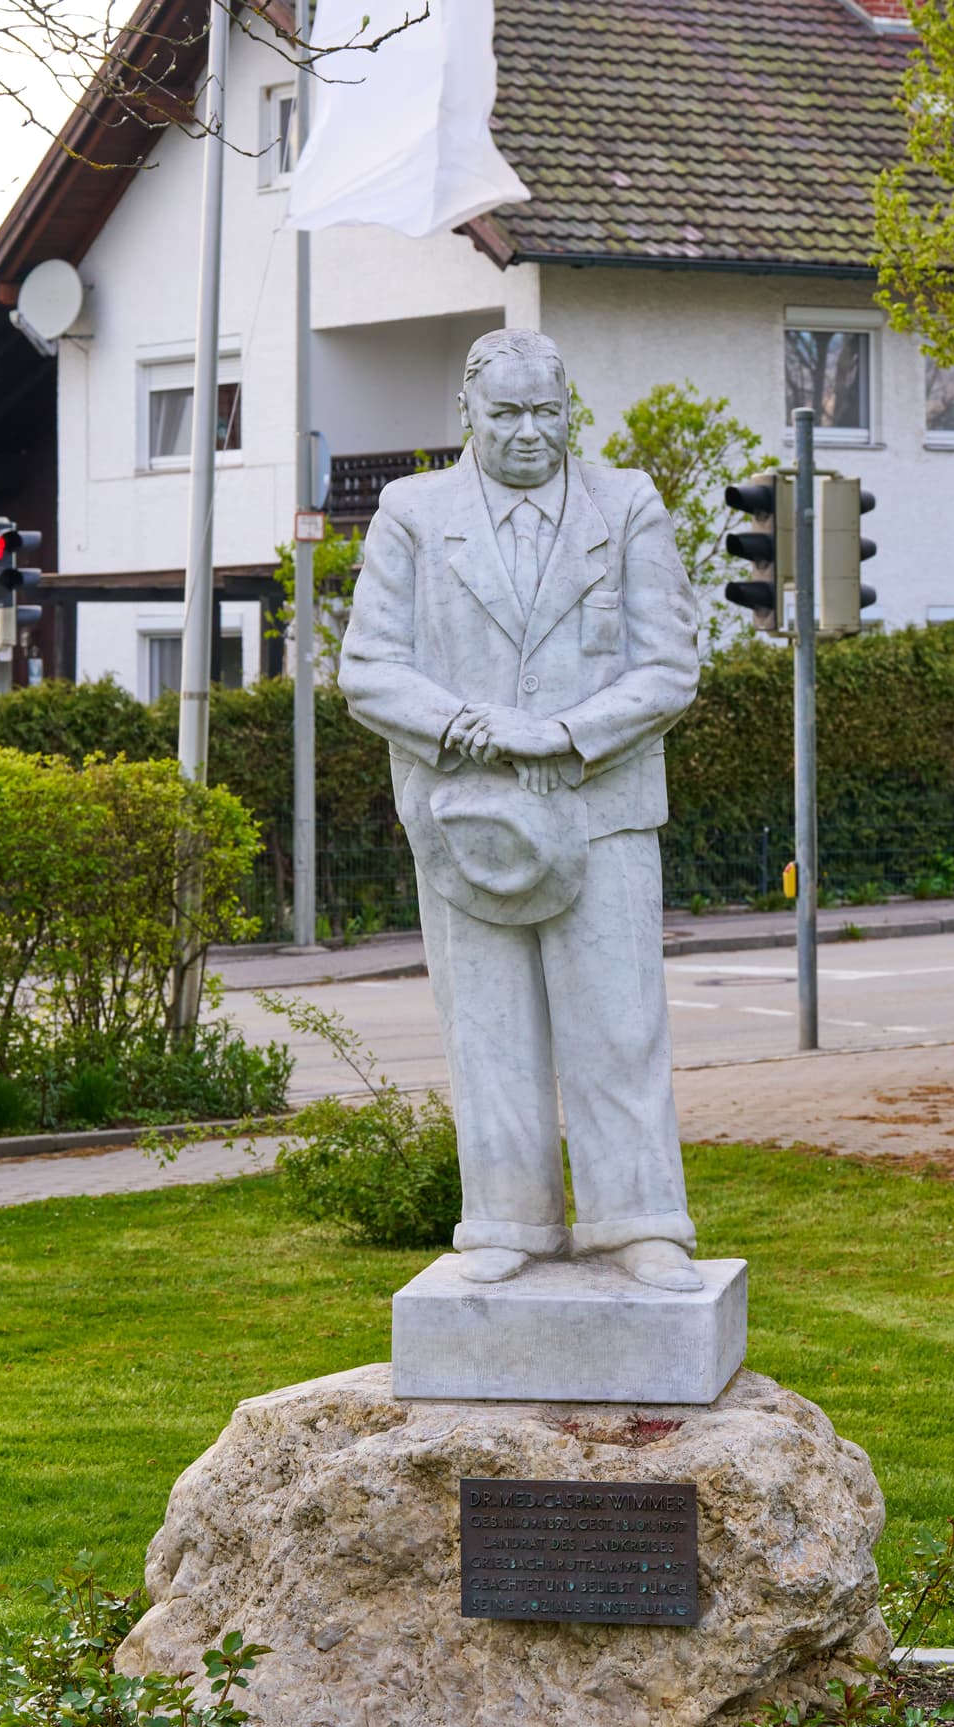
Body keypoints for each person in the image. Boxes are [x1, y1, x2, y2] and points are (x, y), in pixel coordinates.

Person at [339, 327, 702, 1291]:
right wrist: (469, 726)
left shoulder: (627, 504)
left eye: (547, 411)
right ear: (468, 414)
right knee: (489, 1029)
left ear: (569, 410)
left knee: (618, 1025)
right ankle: (506, 1218)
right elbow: (369, 669)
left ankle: (639, 1224)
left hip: (603, 807)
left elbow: (667, 666)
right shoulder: (412, 511)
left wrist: (568, 733)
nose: (529, 433)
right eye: (506, 414)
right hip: (467, 820)